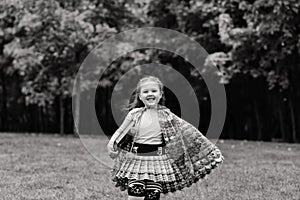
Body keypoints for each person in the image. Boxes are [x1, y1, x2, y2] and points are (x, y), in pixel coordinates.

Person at [107, 75, 224, 200]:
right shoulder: (135, 114)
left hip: (158, 162)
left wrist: (210, 151)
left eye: (154, 91)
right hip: (136, 161)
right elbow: (121, 131)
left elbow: (188, 131)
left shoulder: (168, 116)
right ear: (140, 96)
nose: (150, 94)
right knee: (135, 197)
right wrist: (112, 143)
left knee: (152, 196)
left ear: (160, 94)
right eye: (145, 91)